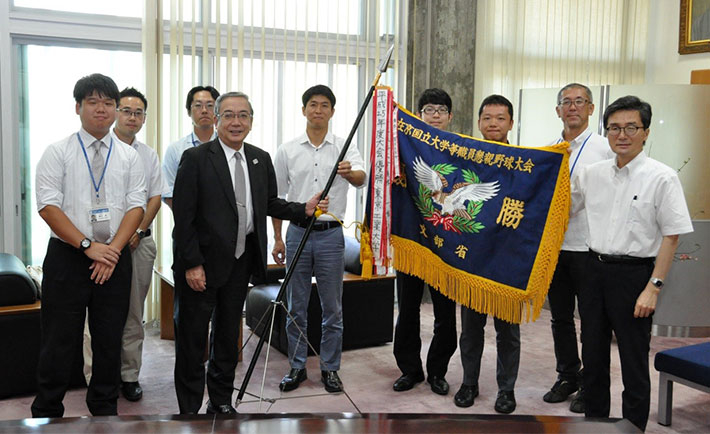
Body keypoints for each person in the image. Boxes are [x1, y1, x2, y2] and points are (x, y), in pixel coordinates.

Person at [171, 91, 328, 414]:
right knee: (192, 339)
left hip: (240, 264)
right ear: (216, 120)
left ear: (252, 121)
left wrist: (303, 209)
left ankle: (220, 401)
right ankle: (188, 411)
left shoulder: (259, 158)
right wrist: (192, 264)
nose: (236, 122)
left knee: (228, 338)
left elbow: (268, 203)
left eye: (243, 115)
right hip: (200, 267)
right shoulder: (196, 159)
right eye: (228, 115)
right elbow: (183, 218)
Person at [573, 95, 693, 431]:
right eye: (614, 128)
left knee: (633, 359)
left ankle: (633, 427)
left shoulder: (662, 177)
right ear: (606, 131)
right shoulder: (590, 173)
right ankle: (595, 424)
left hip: (636, 276)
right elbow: (563, 209)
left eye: (630, 127)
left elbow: (671, 236)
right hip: (594, 271)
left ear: (645, 132)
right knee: (593, 357)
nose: (621, 135)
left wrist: (653, 288)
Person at [31, 73, 145, 417]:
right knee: (58, 341)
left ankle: (105, 411)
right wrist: (86, 246)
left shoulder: (128, 157)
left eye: (108, 103)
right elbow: (48, 206)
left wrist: (110, 251)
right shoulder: (58, 152)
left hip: (113, 256)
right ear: (78, 107)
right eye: (93, 102)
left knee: (109, 341)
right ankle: (47, 411)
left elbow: (136, 206)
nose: (101, 109)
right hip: (68, 257)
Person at [272, 85, 366, 393]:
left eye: (325, 105)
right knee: (295, 304)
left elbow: (361, 178)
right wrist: (277, 238)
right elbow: (276, 198)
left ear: (332, 112)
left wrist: (349, 172)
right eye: (313, 104)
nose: (318, 110)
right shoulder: (287, 150)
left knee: (332, 309)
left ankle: (330, 368)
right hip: (297, 232)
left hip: (331, 235)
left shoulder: (344, 147)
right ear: (303, 110)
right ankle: (297, 367)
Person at [543, 83, 611, 413]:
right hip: (556, 247)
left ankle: (591, 383)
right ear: (557, 110)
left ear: (591, 108)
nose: (572, 107)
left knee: (592, 321)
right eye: (566, 102)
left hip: (589, 247)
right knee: (560, 318)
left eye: (579, 101)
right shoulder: (550, 150)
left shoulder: (605, 147)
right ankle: (567, 374)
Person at [454, 94, 520, 414]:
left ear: (511, 123)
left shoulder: (526, 163)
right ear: (479, 122)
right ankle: (469, 383)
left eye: (500, 118)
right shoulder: (466, 159)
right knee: (470, 328)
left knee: (507, 331)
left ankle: (506, 389)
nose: (493, 124)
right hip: (474, 257)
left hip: (509, 260)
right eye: (487, 118)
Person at [392, 88, 457, 396]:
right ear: (419, 115)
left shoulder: (460, 149)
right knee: (407, 310)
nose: (434, 115)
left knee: (445, 315)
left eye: (440, 110)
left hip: (447, 247)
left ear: (450, 116)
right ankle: (410, 370)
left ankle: (438, 372)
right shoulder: (403, 146)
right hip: (411, 241)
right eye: (428, 109)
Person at [112, 87, 168, 401]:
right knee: (101, 315)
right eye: (127, 110)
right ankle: (100, 375)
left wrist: (138, 230)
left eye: (138, 113)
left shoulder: (148, 155)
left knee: (134, 313)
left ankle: (130, 375)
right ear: (116, 112)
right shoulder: (101, 150)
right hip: (103, 246)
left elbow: (155, 197)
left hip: (139, 244)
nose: (132, 117)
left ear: (144, 118)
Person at [161, 85, 219, 208]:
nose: (204, 110)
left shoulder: (227, 147)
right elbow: (168, 191)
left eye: (210, 105)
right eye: (198, 105)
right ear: (188, 111)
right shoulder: (176, 149)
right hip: (187, 222)